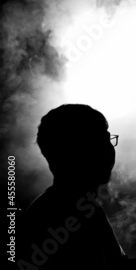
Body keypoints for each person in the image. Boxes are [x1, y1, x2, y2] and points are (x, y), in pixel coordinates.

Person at [17, 104, 126, 270]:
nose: (109, 150)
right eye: (98, 141)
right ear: (72, 151)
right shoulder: (66, 217)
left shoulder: (81, 206)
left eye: (108, 139)